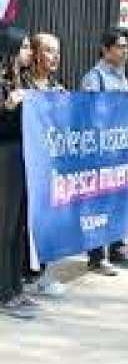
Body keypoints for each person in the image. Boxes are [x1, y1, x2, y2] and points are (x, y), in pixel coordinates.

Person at [9, 33, 67, 297]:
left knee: (46, 220)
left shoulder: (58, 87)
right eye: (48, 51)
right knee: (21, 224)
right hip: (22, 165)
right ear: (34, 54)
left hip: (49, 165)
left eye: (57, 52)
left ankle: (41, 272)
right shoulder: (23, 84)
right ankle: (24, 274)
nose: (54, 57)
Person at [80, 28, 128, 276]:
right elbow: (88, 113)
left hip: (120, 150)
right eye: (120, 46)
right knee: (97, 204)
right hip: (100, 152)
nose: (125, 51)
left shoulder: (122, 78)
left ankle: (117, 248)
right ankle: (96, 256)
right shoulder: (94, 78)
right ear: (105, 49)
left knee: (118, 201)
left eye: (127, 47)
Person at [0, 27, 38, 317]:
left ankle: (16, 286)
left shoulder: (24, 79)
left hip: (25, 156)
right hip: (6, 156)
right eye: (24, 47)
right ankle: (4, 292)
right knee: (5, 225)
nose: (29, 52)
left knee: (19, 225)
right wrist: (7, 107)